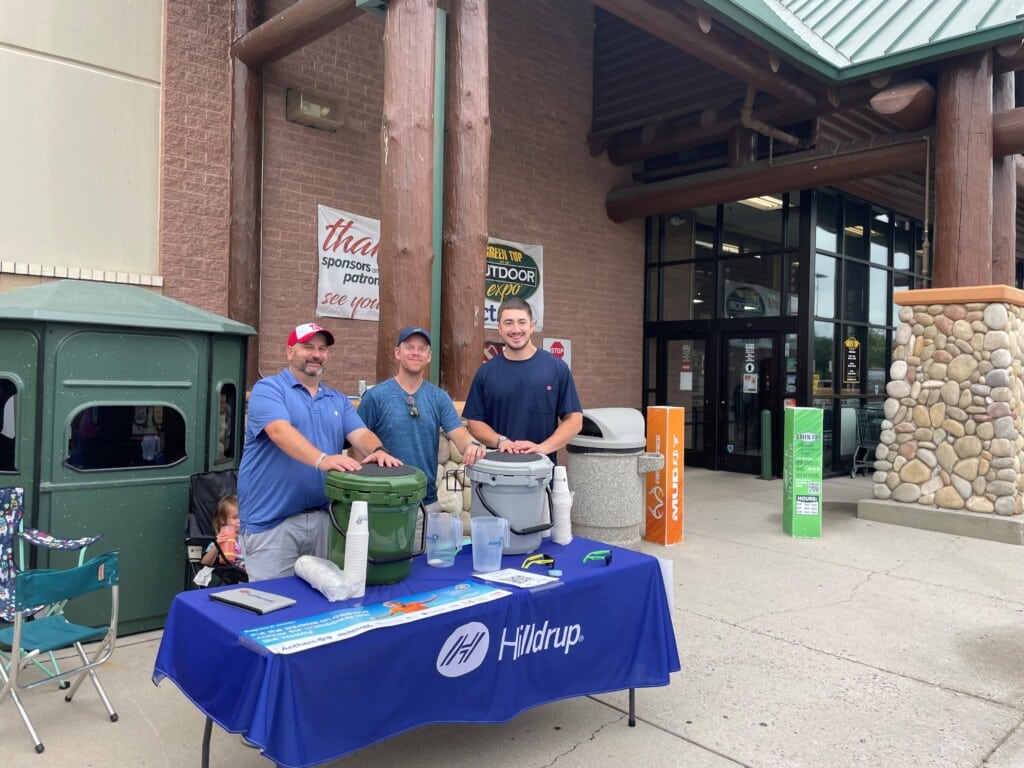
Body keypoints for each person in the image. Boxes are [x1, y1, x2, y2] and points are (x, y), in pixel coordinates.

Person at [237, 322, 402, 581]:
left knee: (324, 602)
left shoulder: (337, 399)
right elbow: (279, 431)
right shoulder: (268, 389)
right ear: (289, 352)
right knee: (273, 606)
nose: (316, 354)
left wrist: (378, 450)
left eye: (322, 349)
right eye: (308, 347)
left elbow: (359, 434)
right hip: (272, 523)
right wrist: (322, 459)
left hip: (325, 520)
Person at [357, 326, 487, 505]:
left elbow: (459, 434)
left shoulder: (438, 397)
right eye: (409, 347)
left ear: (429, 356)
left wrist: (471, 446)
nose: (415, 353)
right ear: (397, 353)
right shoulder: (375, 396)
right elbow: (357, 443)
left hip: (426, 501)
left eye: (422, 349)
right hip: (383, 501)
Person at [464, 298, 582, 464]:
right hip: (497, 475)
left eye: (521, 322)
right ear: (499, 328)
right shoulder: (486, 372)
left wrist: (543, 448)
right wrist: (501, 441)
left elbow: (575, 420)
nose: (516, 329)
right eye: (508, 323)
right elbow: (475, 422)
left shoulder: (556, 368)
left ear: (532, 326)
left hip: (541, 475)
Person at [201, 494, 243, 567]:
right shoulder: (222, 539)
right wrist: (217, 545)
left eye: (242, 517)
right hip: (235, 571)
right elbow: (205, 563)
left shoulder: (249, 536)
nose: (239, 520)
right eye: (235, 517)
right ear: (223, 520)